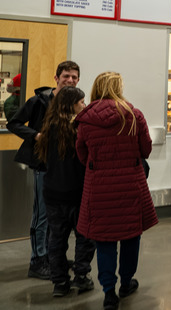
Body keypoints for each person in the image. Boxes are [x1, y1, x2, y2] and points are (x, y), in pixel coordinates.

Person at [75, 71, 157, 310]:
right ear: (118, 88)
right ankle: (126, 281)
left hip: (99, 188)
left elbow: (81, 153)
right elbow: (146, 149)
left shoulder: (86, 119)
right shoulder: (133, 115)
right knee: (132, 236)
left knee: (104, 240)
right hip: (131, 185)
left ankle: (109, 292)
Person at [8, 60, 81, 280]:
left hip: (65, 170)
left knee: (58, 219)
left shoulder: (75, 104)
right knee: (42, 217)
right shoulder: (39, 101)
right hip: (42, 166)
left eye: (74, 77)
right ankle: (37, 261)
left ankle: (53, 257)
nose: (70, 80)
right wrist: (37, 136)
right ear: (56, 78)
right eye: (66, 76)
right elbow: (14, 123)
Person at [34, 86, 96, 297]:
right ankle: (81, 276)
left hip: (52, 193)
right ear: (72, 104)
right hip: (77, 193)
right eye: (81, 102)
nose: (85, 105)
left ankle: (60, 283)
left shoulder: (48, 128)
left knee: (56, 240)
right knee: (85, 237)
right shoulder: (80, 128)